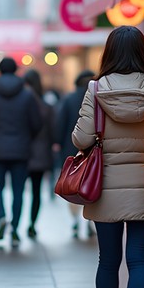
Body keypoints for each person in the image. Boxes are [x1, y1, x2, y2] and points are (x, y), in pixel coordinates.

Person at [71, 27, 144, 288]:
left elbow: (81, 140)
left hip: (104, 187)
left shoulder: (96, 90)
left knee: (108, 260)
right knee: (139, 261)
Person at [0, 57, 43, 246]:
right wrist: (26, 137)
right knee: (18, 190)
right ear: (16, 70)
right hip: (21, 149)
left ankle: (1, 217)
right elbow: (37, 123)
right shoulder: (27, 94)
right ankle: (14, 228)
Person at [55, 69, 96, 239]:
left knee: (74, 185)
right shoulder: (98, 96)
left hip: (72, 147)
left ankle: (75, 220)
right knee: (92, 184)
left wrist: (57, 142)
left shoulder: (69, 99)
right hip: (94, 150)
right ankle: (89, 221)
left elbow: (60, 122)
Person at [23, 69, 54, 239]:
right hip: (41, 154)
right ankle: (32, 224)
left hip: (23, 153)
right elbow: (52, 132)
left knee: (18, 191)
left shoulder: (21, 103)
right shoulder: (46, 106)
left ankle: (14, 225)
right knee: (36, 192)